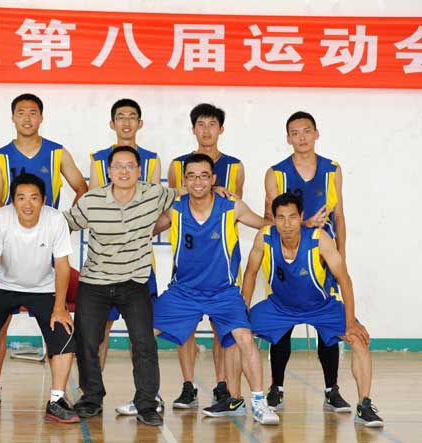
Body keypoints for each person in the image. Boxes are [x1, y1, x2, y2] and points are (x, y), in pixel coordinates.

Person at [151, 153, 278, 425]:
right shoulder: (175, 208)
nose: (198, 181)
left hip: (223, 293)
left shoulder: (231, 207)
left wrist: (302, 225)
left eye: (204, 176)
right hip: (183, 292)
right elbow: (146, 230)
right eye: (192, 176)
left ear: (214, 179)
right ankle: (148, 396)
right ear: (184, 180)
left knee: (244, 338)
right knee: (142, 335)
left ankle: (259, 402)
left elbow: (266, 225)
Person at [0, 93, 87, 409]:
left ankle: (58, 393)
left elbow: (81, 187)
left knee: (56, 319)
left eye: (33, 112)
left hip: (46, 251)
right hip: (11, 251)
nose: (27, 118)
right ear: (12, 117)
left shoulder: (57, 153)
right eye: (21, 112)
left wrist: (63, 225)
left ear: (41, 117)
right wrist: (15, 226)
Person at [244, 193, 382, 427]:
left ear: (301, 217)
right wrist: (243, 311)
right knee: (237, 332)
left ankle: (364, 405)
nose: (287, 224)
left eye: (292, 217)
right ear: (274, 220)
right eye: (281, 218)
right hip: (280, 306)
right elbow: (250, 273)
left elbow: (344, 279)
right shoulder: (264, 237)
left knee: (359, 340)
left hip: (321, 307)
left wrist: (350, 323)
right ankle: (236, 398)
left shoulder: (320, 240)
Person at [64, 146, 175, 426]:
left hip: (134, 281)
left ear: (139, 170)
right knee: (87, 342)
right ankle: (91, 398)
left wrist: (218, 191)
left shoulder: (154, 194)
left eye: (130, 166)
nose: (124, 171)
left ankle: (147, 404)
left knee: (144, 343)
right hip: (95, 281)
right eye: (118, 166)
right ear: (109, 171)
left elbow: (187, 194)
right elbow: (63, 224)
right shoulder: (92, 201)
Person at [0, 173, 78, 423]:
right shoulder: (1, 218)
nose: (27, 204)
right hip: (3, 285)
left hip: (43, 287)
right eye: (21, 198)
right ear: (13, 201)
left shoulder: (55, 219)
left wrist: (60, 307)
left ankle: (56, 401)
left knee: (64, 336)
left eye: (34, 198)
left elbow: (62, 266)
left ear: (43, 200)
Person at [263, 111, 348, 410]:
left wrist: (341, 258)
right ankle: (276, 387)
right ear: (288, 138)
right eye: (295, 133)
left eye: (306, 131)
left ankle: (331, 389)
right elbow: (270, 220)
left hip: (323, 257)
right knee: (282, 325)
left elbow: (339, 216)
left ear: (316, 133)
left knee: (328, 326)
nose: (301, 137)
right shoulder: (276, 173)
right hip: (287, 256)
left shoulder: (332, 169)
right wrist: (303, 224)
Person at [166, 103, 245, 408]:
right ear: (193, 129)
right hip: (188, 258)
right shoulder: (177, 165)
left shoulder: (235, 166)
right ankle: (188, 385)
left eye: (212, 124)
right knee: (185, 326)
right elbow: (173, 201)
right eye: (201, 124)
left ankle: (222, 385)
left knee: (221, 328)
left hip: (221, 258)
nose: (207, 130)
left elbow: (234, 205)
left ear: (221, 129)